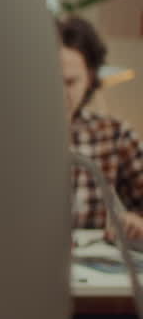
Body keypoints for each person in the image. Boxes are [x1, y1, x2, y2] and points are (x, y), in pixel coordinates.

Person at [60, 15, 143, 241]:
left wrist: (137, 222)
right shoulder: (5, 139)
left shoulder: (114, 134)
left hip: (90, 270)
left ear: (90, 77)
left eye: (70, 82)